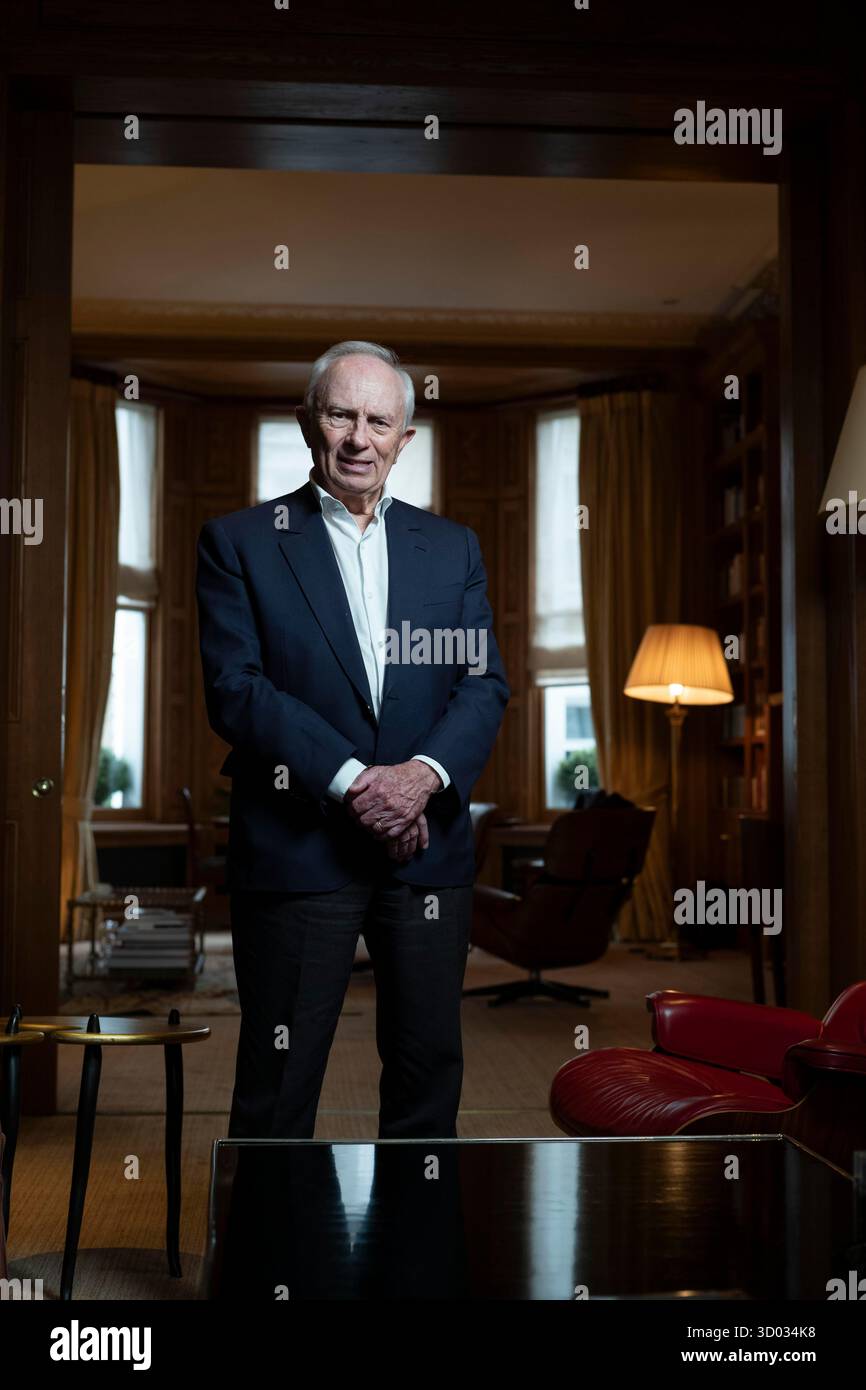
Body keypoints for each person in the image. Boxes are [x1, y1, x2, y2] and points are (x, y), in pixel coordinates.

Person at [196, 340, 509, 1139]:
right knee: (280, 1078)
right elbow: (238, 692)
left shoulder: (453, 548)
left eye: (379, 420)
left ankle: (415, 1258)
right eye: (341, 414)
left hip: (426, 848)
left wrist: (421, 779)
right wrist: (357, 784)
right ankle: (265, 1258)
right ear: (310, 421)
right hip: (300, 848)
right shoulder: (240, 542)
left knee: (428, 1071)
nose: (358, 438)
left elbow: (481, 683)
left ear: (405, 439)